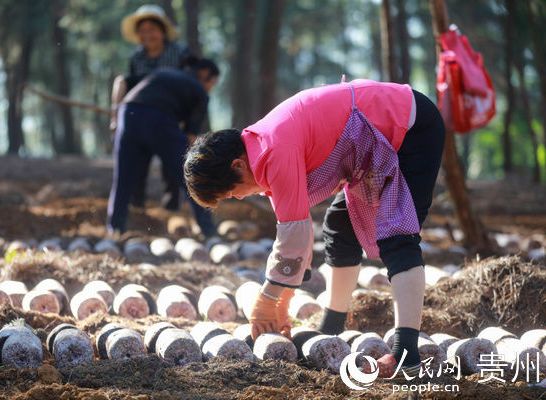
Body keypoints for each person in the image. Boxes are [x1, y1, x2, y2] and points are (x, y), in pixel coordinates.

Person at [183, 78, 445, 378]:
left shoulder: (274, 149)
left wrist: (267, 300)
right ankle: (331, 326)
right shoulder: (262, 148)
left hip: (410, 127)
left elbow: (294, 237)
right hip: (375, 145)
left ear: (238, 167)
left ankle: (406, 352)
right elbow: (297, 232)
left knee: (398, 236)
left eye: (233, 192)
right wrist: (284, 300)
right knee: (340, 225)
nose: (241, 196)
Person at [107, 58, 220, 238]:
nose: (211, 88)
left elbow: (121, 81)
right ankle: (209, 230)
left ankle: (115, 230)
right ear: (206, 75)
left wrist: (114, 115)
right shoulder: (200, 92)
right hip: (159, 119)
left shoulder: (162, 73)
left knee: (123, 178)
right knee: (190, 174)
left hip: (128, 113)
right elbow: (191, 139)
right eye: (212, 83)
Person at [112, 4, 190, 209]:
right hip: (138, 118)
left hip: (169, 118)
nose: (148, 35)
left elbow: (190, 89)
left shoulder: (180, 53)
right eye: (143, 31)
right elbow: (127, 85)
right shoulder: (136, 58)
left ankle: (171, 208)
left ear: (162, 31)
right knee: (136, 166)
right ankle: (137, 209)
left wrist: (187, 122)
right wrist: (116, 116)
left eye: (152, 30)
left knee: (173, 167)